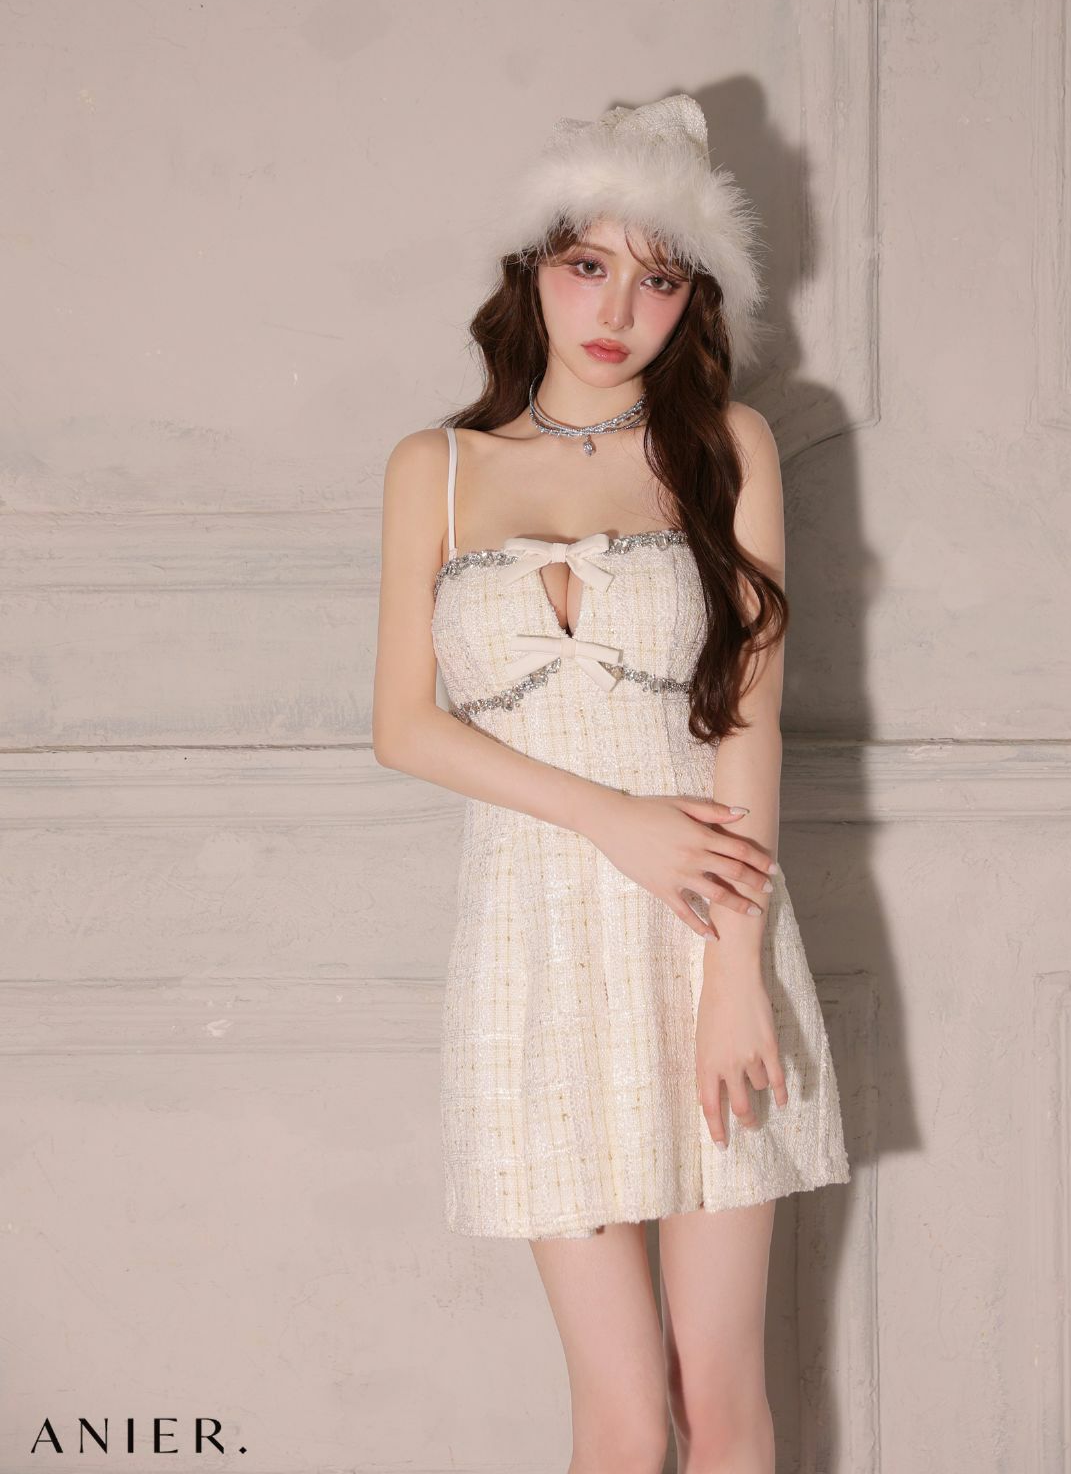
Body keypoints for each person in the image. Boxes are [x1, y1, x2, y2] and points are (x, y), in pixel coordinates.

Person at [373, 93, 850, 1472]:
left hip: (709, 932)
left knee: (723, 1395)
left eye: (661, 277)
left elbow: (748, 718)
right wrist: (615, 823)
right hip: (531, 951)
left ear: (695, 299)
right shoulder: (437, 470)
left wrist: (736, 978)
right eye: (588, 264)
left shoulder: (727, 448)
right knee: (621, 1414)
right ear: (532, 266)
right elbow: (402, 726)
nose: (618, 310)